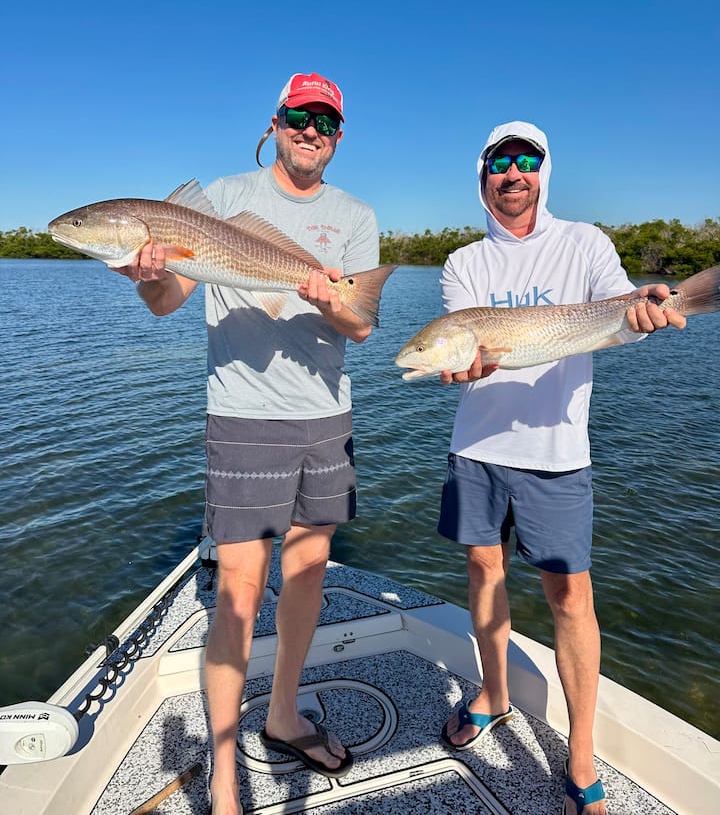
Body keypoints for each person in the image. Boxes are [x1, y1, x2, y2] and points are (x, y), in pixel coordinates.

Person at [115, 73, 386, 815]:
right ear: (275, 121)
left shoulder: (355, 216)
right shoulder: (220, 199)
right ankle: (227, 774)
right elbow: (166, 301)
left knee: (308, 572)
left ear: (338, 135)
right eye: (299, 116)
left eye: (324, 121)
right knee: (237, 589)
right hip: (242, 416)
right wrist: (147, 276)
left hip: (325, 416)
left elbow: (361, 325)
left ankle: (284, 714)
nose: (310, 130)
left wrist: (334, 301)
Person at [436, 121, 687, 815]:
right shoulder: (462, 263)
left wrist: (645, 311)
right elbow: (461, 345)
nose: (512, 173)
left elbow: (620, 306)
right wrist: (460, 364)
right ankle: (494, 693)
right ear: (482, 176)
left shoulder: (584, 243)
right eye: (499, 162)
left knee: (571, 598)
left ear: (542, 172)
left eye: (526, 160)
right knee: (483, 571)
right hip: (477, 447)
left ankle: (579, 752)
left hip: (557, 452)